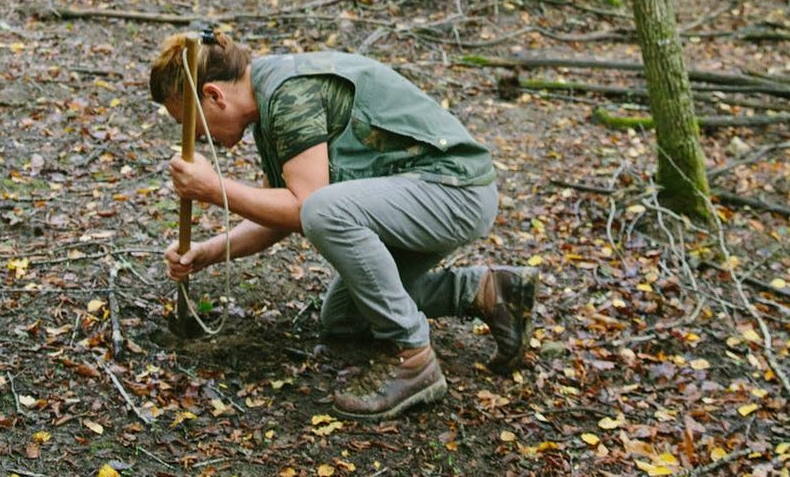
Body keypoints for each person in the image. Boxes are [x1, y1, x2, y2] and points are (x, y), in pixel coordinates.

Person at [150, 30, 537, 422]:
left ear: (215, 95)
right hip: (430, 196)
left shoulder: (289, 95)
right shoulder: (269, 100)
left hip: (455, 192)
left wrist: (214, 189)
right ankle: (487, 291)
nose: (198, 139)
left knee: (323, 209)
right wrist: (207, 252)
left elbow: (307, 207)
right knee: (343, 317)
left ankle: (413, 358)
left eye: (193, 126)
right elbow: (280, 213)